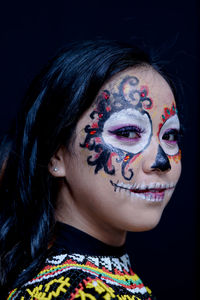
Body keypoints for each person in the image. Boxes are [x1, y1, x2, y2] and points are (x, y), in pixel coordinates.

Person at [0, 40, 182, 299]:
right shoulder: (76, 291)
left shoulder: (93, 280)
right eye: (128, 132)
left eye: (171, 135)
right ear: (56, 155)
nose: (161, 160)